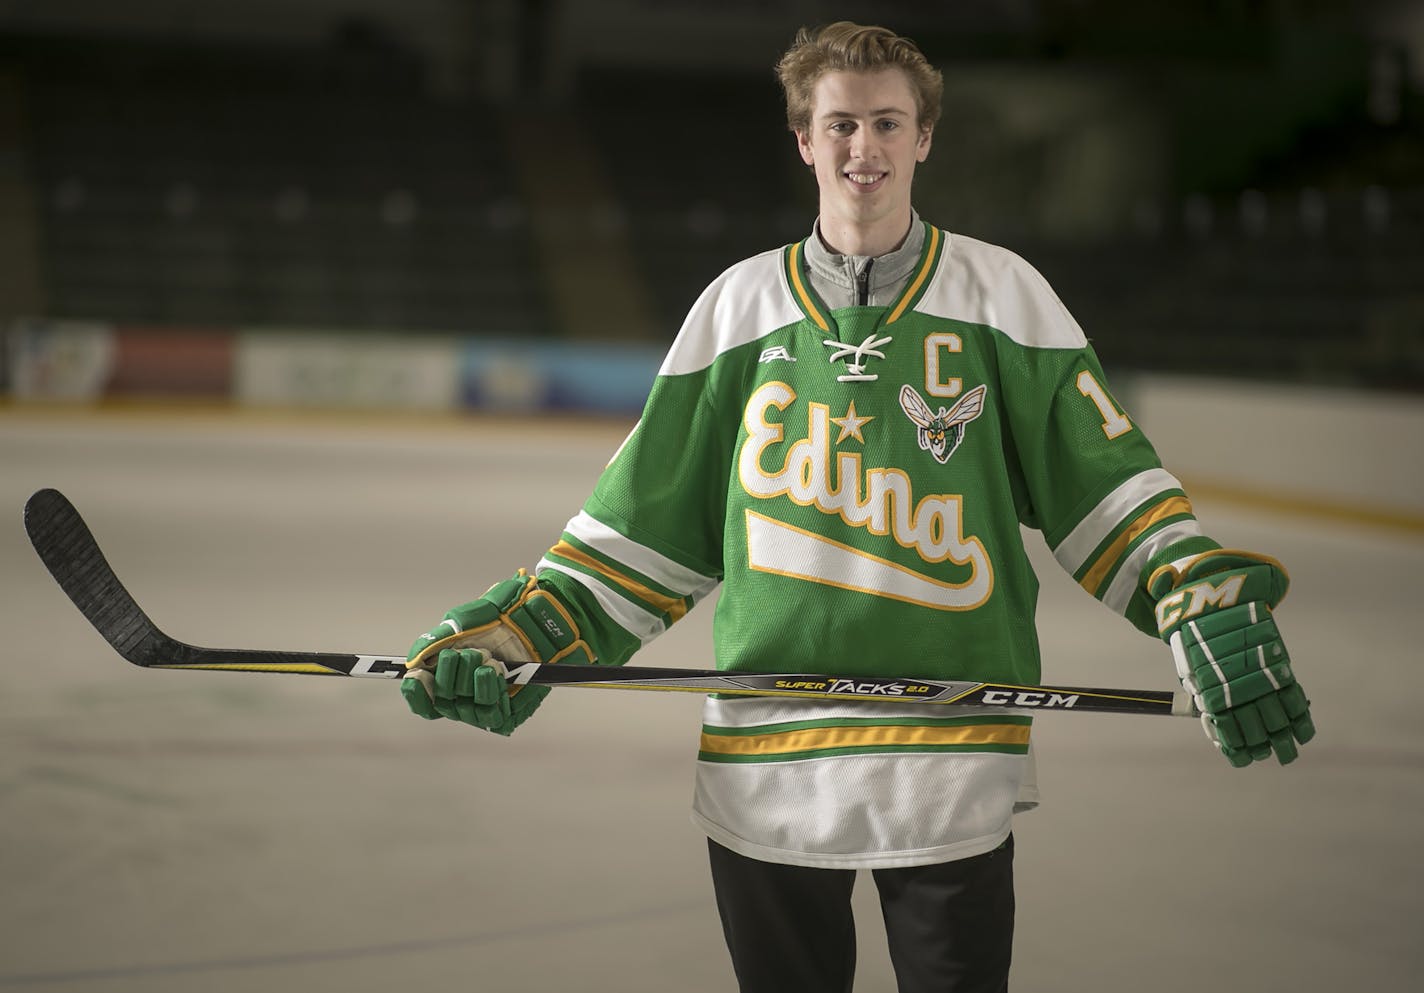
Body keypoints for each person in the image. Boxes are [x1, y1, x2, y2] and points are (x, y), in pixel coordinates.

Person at [400, 21, 1314, 993]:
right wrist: (519, 634)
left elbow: (1105, 487)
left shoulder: (1005, 298)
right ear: (802, 138)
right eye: (838, 124)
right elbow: (641, 529)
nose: (861, 148)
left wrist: (1193, 596)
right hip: (766, 763)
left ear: (924, 137)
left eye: (886, 122)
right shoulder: (735, 309)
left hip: (951, 758)